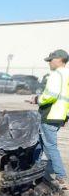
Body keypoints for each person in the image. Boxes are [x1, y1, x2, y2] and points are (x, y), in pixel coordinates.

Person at [32, 49, 69, 187]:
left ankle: (61, 176)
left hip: (49, 114)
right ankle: (34, 167)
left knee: (50, 146)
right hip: (59, 116)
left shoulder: (56, 74)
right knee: (39, 142)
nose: (49, 63)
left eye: (51, 60)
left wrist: (37, 99)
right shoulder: (67, 75)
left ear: (59, 59)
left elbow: (51, 95)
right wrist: (66, 116)